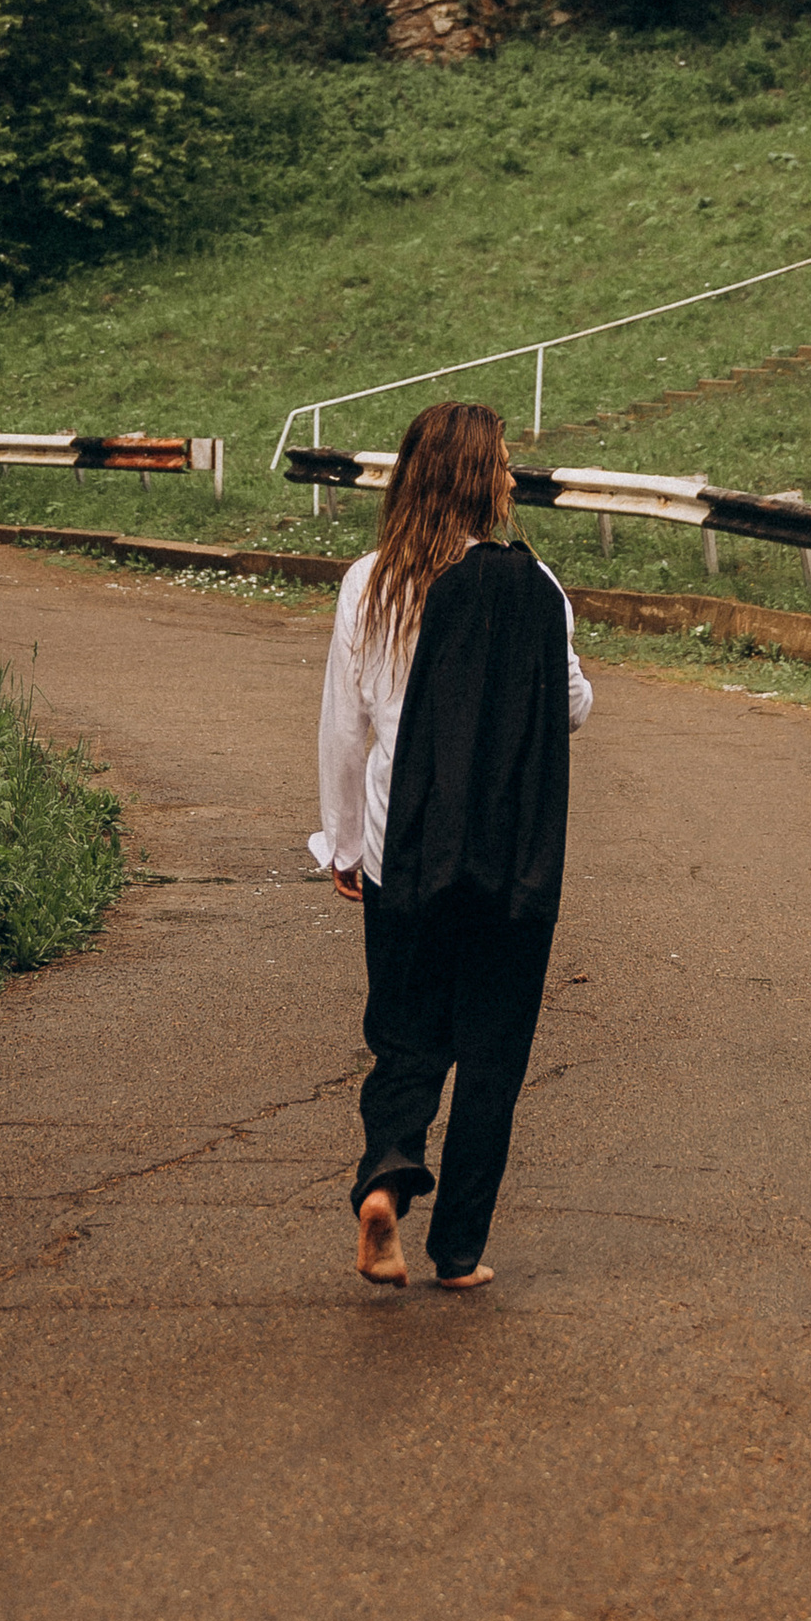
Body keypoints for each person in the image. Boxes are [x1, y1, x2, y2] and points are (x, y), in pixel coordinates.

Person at [312, 400, 594, 1294]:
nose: (513, 474)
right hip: (512, 864)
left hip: (406, 855)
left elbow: (343, 730)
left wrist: (345, 846)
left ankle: (386, 1181)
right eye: (505, 460)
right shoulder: (535, 586)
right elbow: (575, 705)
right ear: (479, 476)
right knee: (493, 1054)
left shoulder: (372, 581)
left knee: (404, 1036)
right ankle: (460, 1249)